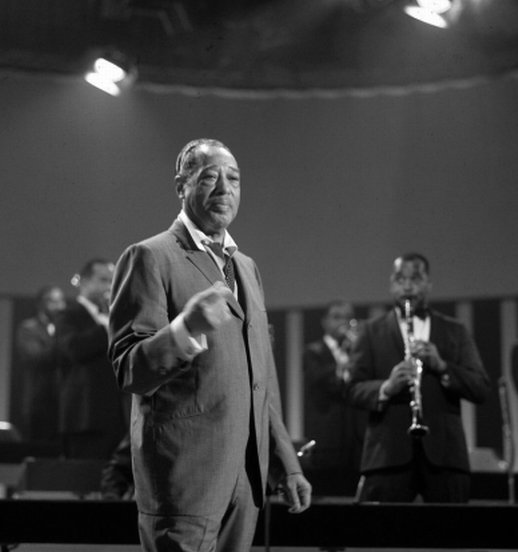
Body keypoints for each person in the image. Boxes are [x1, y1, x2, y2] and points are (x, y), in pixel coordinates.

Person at [108, 138, 311, 552]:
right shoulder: (149, 256)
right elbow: (130, 369)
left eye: (233, 179)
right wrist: (186, 328)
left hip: (246, 483)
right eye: (209, 178)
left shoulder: (247, 268)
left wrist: (285, 464)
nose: (224, 189)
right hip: (184, 480)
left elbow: (261, 381)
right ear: (180, 186)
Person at [348, 252, 490, 503]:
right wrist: (387, 387)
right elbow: (352, 389)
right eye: (400, 279)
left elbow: (480, 387)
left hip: (446, 457)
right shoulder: (370, 331)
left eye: (415, 278)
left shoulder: (455, 330)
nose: (407, 286)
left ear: (428, 284)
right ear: (391, 285)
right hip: (387, 456)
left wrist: (442, 366)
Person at [55, 258, 128, 460]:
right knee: (84, 474)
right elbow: (73, 349)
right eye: (103, 280)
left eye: (112, 280)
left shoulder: (112, 316)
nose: (109, 286)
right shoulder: (67, 314)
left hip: (115, 416)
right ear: (85, 282)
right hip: (84, 416)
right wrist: (106, 328)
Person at [303, 300, 366, 495]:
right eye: (337, 317)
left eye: (348, 317)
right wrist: (342, 364)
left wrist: (359, 349)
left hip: (355, 445)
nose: (343, 322)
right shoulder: (313, 351)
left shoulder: (360, 352)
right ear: (324, 321)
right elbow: (318, 381)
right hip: (326, 444)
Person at [16, 285, 66, 442]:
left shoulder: (66, 329)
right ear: (41, 303)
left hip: (64, 404)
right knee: (38, 449)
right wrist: (66, 343)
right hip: (39, 403)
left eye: (61, 301)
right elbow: (35, 358)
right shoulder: (29, 328)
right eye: (53, 301)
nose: (60, 306)